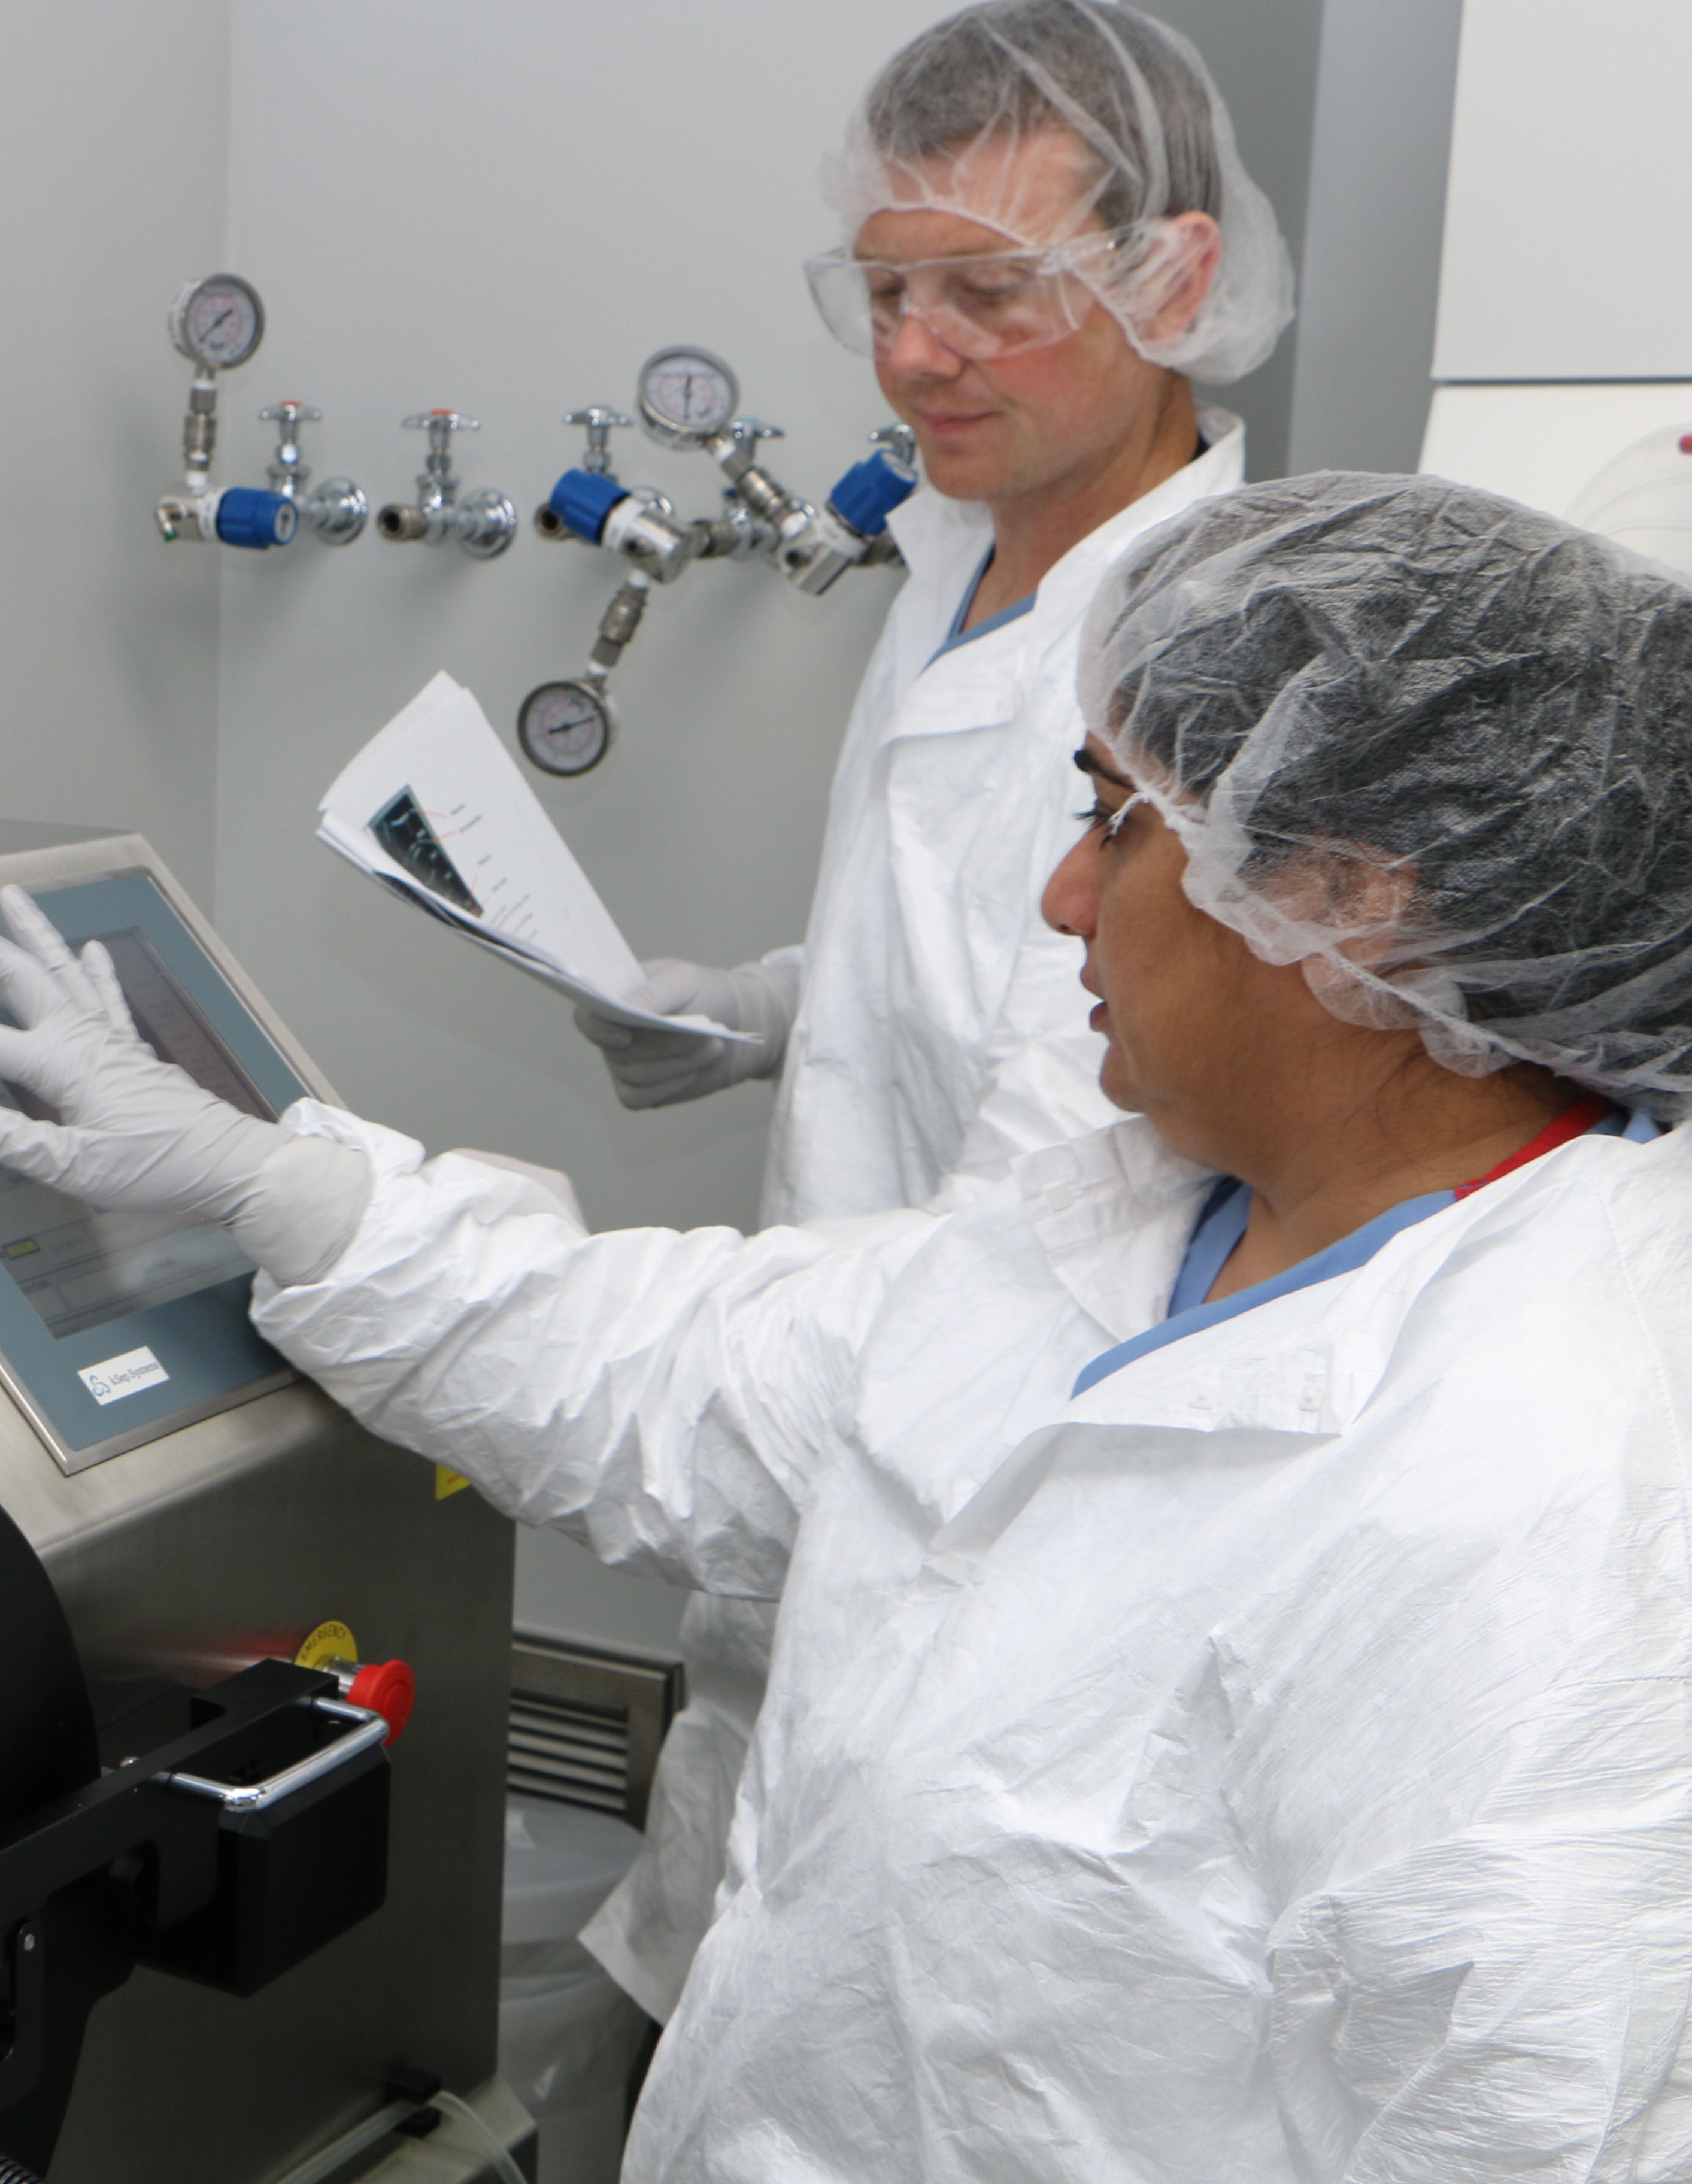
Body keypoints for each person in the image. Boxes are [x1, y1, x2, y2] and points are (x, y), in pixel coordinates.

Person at [0, 474, 1692, 2177]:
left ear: (1345, 899)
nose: (1066, 895)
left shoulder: (1554, 1492)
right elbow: (671, 1377)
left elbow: (1532, 2117)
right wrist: (274, 1183)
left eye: (1119, 822)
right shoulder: (1133, 1225)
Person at [575, 0, 1299, 2062]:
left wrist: (465, 1290)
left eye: (991, 293)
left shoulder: (1208, 644)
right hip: (827, 1468)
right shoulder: (958, 559)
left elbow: (1069, 1188)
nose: (914, 358)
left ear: (1175, 277)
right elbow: (985, 964)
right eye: (887, 294)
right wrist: (757, 1019)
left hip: (976, 1489)